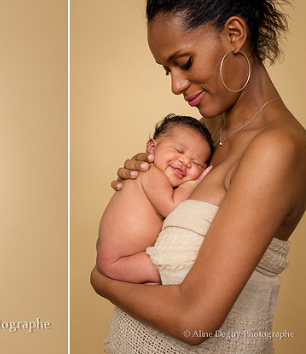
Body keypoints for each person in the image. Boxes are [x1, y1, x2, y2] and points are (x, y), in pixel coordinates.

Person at [90, 0, 306, 352]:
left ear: (234, 34)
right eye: (167, 71)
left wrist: (103, 280)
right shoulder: (207, 133)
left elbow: (194, 320)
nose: (176, 85)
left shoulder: (276, 149)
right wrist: (144, 180)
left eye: (184, 62)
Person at [96, 114, 213, 285]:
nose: (185, 162)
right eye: (178, 151)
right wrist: (194, 183)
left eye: (196, 163)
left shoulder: (160, 179)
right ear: (152, 147)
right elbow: (173, 208)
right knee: (175, 270)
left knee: (161, 279)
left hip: (123, 257)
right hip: (119, 261)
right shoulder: (151, 174)